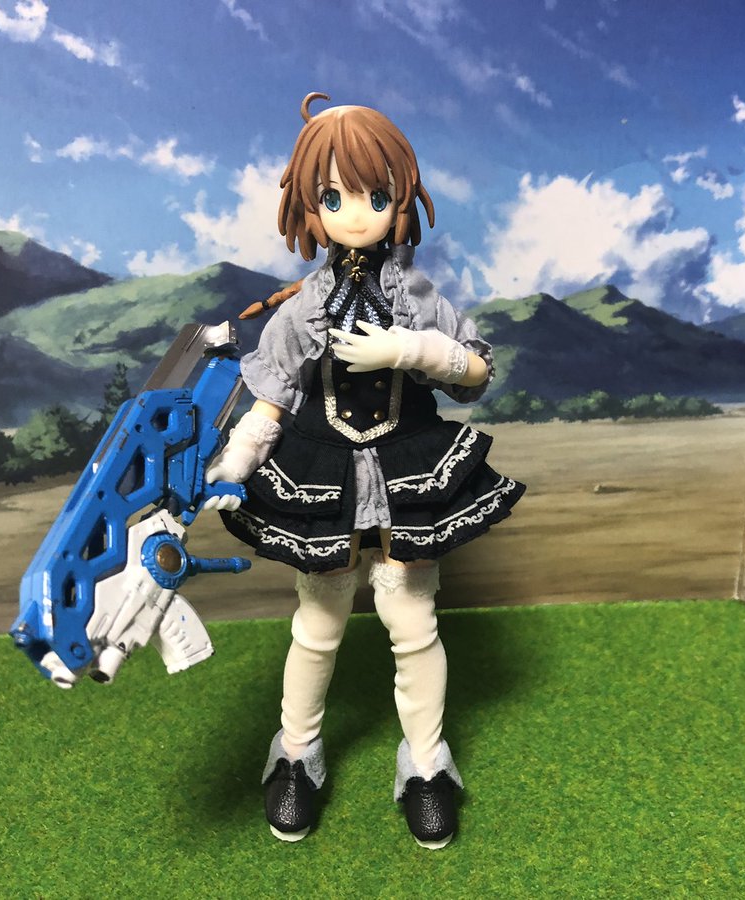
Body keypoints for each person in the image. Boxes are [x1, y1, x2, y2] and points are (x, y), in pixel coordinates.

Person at [204, 92, 524, 849]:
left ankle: (425, 764)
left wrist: (413, 349)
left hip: (409, 471)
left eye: (375, 197)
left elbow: (477, 374)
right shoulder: (300, 309)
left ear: (400, 200)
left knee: (413, 621)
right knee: (317, 623)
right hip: (322, 478)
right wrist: (235, 463)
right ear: (308, 206)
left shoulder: (419, 297)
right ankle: (297, 754)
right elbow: (271, 399)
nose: (355, 214)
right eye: (333, 197)